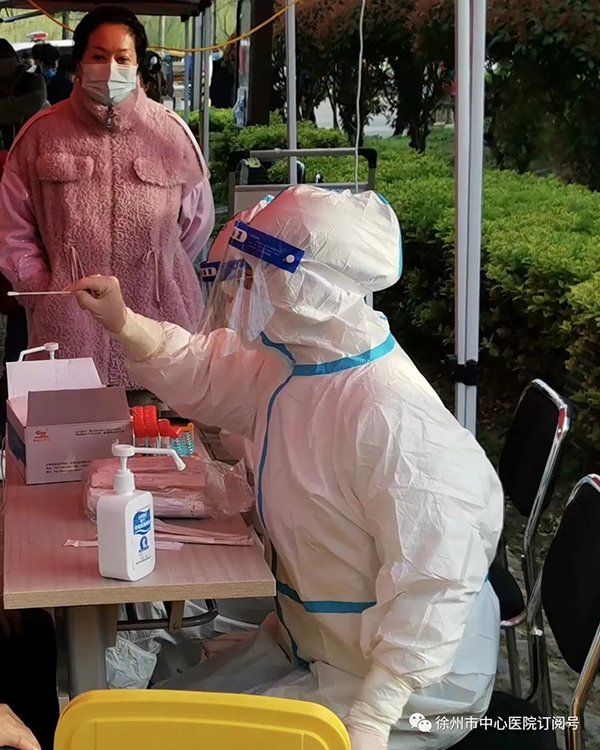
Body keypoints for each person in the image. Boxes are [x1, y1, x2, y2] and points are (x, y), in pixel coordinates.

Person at [68, 186, 504, 750]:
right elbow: (205, 371)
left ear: (310, 284)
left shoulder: (393, 416)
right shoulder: (299, 364)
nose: (242, 291)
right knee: (134, 728)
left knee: (147, 740)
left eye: (255, 275)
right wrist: (124, 321)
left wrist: (374, 717)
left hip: (408, 691)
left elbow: (438, 581)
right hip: (317, 648)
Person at [0, 6, 214, 389]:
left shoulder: (171, 135)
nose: (110, 67)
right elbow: (12, 228)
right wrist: (43, 289)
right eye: (99, 56)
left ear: (138, 65)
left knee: (159, 427)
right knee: (72, 427)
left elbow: (196, 225)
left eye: (122, 58)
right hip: (68, 335)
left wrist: (160, 269)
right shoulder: (40, 135)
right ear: (80, 63)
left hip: (160, 333)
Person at [0, 39, 46, 437]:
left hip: (23, 253)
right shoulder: (31, 92)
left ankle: (16, 408)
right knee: (19, 321)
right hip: (21, 248)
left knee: (21, 323)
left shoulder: (33, 88)